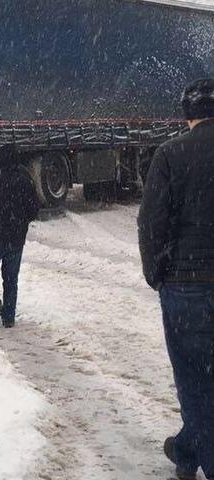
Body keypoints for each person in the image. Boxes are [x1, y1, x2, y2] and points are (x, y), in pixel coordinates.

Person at [138, 78, 214, 480]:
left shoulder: (170, 154)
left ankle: (199, 453)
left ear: (188, 114)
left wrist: (157, 273)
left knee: (194, 378)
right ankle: (187, 451)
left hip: (187, 286)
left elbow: (152, 222)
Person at [0, 143, 40, 329]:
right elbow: (33, 210)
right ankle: (9, 318)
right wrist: (21, 223)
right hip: (16, 240)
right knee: (11, 280)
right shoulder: (25, 182)